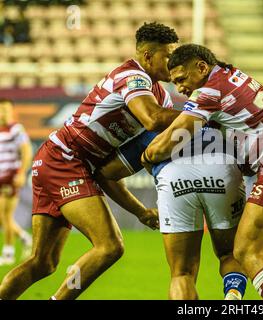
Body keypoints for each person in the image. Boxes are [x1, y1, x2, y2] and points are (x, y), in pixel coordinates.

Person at [0, 22, 180, 300]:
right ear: (148, 56)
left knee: (42, 263)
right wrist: (201, 114)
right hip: (65, 159)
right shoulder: (133, 77)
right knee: (110, 246)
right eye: (168, 56)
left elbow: (107, 174)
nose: (174, 63)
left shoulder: (161, 96)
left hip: (60, 160)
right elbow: (154, 119)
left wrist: (141, 212)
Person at [142, 44, 263, 300]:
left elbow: (170, 141)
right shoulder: (232, 74)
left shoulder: (209, 92)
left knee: (247, 251)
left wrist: (147, 156)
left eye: (181, 79)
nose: (179, 88)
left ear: (201, 67)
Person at [97, 123, 248, 300]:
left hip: (174, 177)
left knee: (182, 273)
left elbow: (107, 172)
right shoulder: (224, 123)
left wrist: (141, 212)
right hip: (220, 169)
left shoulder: (161, 126)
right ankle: (233, 296)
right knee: (230, 254)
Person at [0, 99, 33, 266]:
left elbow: (26, 150)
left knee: (5, 215)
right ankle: (24, 237)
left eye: (5, 110)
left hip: (11, 176)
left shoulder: (16, 129)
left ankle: (8, 253)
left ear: (11, 111)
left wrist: (21, 173)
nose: (2, 113)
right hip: (0, 177)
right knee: (3, 217)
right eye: (0, 110)